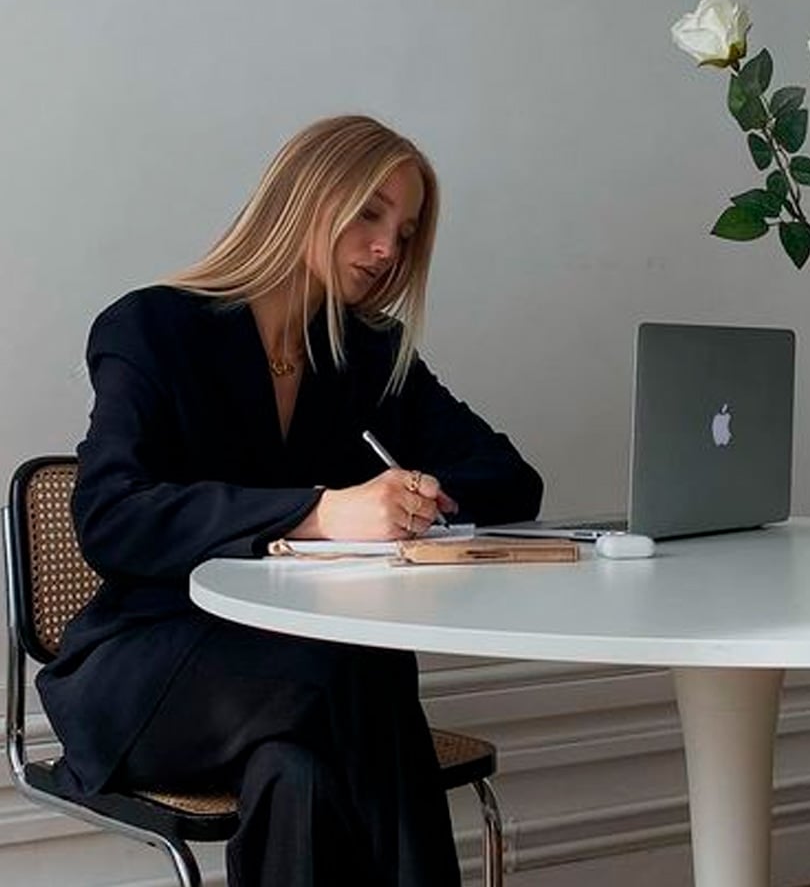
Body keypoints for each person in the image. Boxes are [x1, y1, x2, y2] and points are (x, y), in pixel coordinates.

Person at [37, 115, 544, 887]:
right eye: (370, 215)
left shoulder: (368, 351)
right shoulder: (153, 326)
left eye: (405, 233)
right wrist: (320, 512)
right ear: (303, 199)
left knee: (295, 773)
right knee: (358, 668)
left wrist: (414, 497)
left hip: (302, 679)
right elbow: (112, 517)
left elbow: (510, 478)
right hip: (150, 671)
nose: (387, 249)